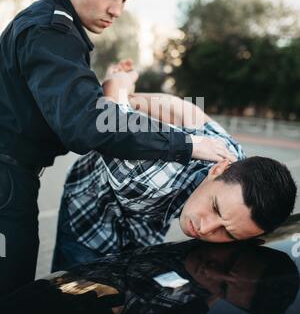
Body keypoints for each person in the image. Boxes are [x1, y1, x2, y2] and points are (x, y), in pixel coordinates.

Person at [0, 0, 215, 295]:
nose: (116, 10)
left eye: (125, 0)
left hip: (15, 177)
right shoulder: (51, 32)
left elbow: (69, 110)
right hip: (6, 179)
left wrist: (109, 88)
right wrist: (186, 144)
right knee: (10, 297)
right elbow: (87, 126)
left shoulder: (58, 29)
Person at [51, 62, 297, 271]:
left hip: (143, 225)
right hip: (89, 216)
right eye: (215, 208)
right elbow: (109, 114)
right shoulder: (144, 177)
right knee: (72, 303)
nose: (204, 228)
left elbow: (184, 113)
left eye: (229, 233)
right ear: (217, 169)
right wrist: (122, 82)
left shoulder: (234, 161)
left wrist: (132, 102)